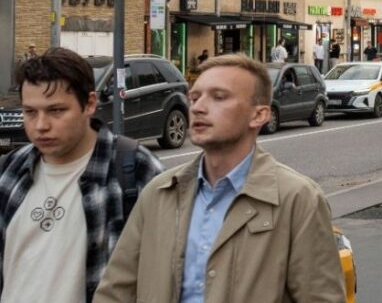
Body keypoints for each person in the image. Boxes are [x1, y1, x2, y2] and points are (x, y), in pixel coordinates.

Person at [94, 54, 345, 302]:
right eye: (195, 97)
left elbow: (321, 296)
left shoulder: (297, 199)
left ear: (259, 115)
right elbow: (115, 291)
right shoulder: (159, 192)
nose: (199, 107)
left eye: (219, 97)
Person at [1, 48, 164, 303]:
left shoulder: (134, 168)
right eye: (30, 112)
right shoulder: (10, 171)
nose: (41, 125)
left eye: (56, 111)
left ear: (89, 104)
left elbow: (167, 268)